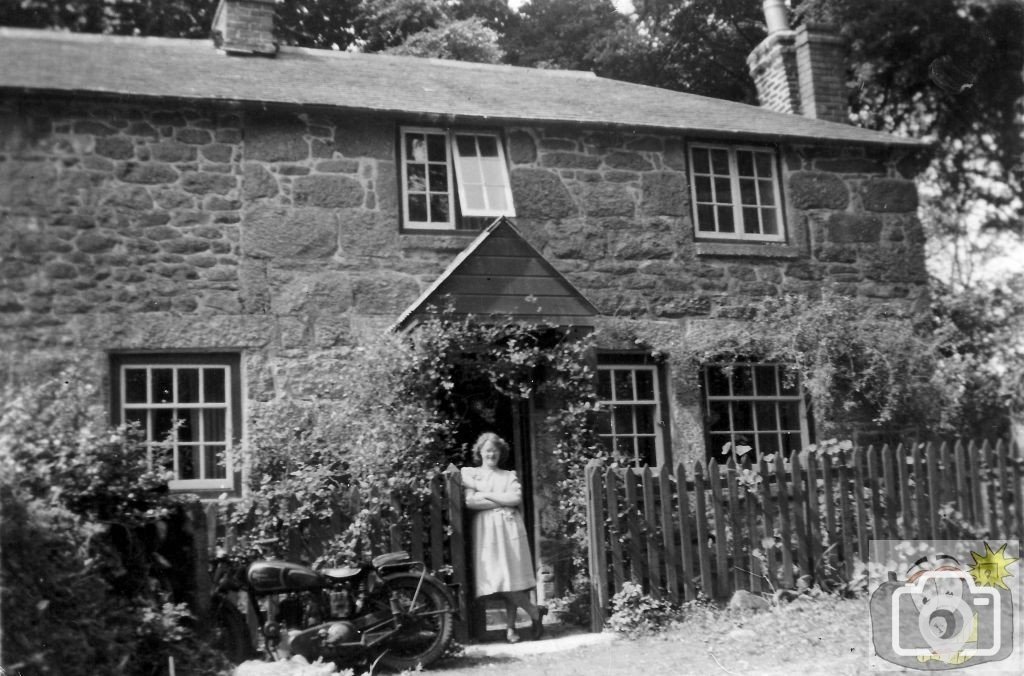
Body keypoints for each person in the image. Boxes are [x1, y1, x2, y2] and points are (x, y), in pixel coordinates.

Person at [461, 432, 546, 643]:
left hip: (510, 529)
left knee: (512, 580)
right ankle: (534, 612)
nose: (491, 454)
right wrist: (502, 500)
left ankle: (511, 629)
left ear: (501, 453)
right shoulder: (471, 474)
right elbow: (471, 502)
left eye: (495, 451)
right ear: (480, 452)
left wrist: (487, 495)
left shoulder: (509, 476)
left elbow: (515, 498)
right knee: (498, 578)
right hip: (486, 532)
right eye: (487, 450)